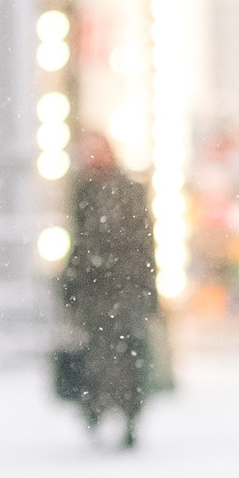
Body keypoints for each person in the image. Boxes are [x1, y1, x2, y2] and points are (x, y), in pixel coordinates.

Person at [57, 131, 159, 449]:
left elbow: (138, 245)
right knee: (100, 357)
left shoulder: (123, 192)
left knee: (125, 357)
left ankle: (125, 417)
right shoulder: (83, 191)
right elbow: (80, 245)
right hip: (98, 294)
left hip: (119, 292)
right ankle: (99, 412)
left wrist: (143, 287)